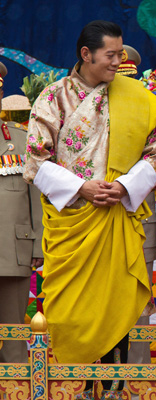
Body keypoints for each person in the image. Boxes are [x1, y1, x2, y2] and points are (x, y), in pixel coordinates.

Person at [24, 20, 156, 398]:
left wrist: (123, 186)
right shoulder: (53, 97)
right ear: (86, 54)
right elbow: (36, 160)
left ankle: (115, 387)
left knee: (116, 305)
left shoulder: (136, 96)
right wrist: (81, 187)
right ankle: (80, 386)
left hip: (117, 217)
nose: (118, 61)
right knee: (74, 309)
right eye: (111, 54)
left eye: (121, 53)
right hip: (73, 222)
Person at [116, 44, 156, 366]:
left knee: (140, 302)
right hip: (94, 223)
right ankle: (99, 377)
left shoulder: (153, 111)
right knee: (99, 300)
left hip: (141, 225)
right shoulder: (87, 111)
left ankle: (136, 375)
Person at [0, 62, 44, 363]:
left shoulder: (20, 139)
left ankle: (16, 390)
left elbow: (37, 196)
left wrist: (39, 243)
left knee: (13, 333)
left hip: (13, 249)